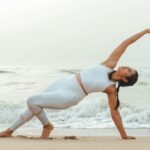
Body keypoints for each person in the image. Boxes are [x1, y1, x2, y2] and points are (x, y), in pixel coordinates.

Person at [0, 28, 150, 139]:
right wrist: (145, 32)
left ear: (125, 79)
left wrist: (124, 136)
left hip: (70, 95)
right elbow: (126, 43)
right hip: (65, 82)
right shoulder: (109, 64)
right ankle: (9, 131)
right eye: (129, 67)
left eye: (128, 70)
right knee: (35, 103)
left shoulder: (111, 89)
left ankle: (47, 125)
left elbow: (115, 113)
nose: (126, 66)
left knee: (32, 100)